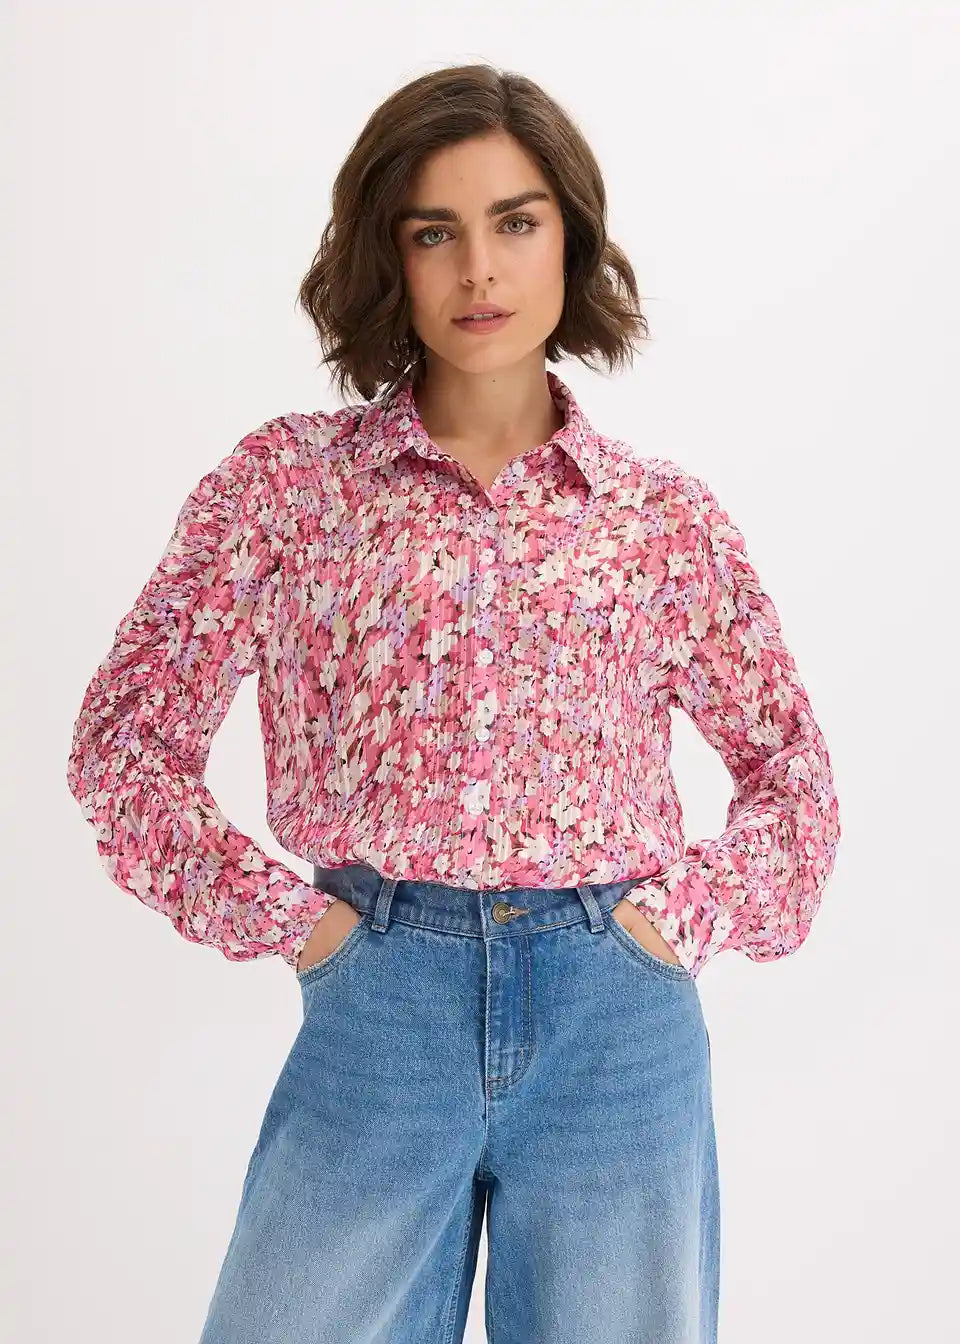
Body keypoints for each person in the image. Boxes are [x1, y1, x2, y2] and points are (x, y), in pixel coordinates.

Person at [65, 62, 841, 1344]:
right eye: (436, 232)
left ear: (570, 239)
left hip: (615, 1020)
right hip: (382, 1001)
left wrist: (681, 922)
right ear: (389, 256)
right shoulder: (287, 489)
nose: (480, 269)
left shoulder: (662, 520)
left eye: (515, 223)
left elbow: (793, 775)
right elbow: (123, 746)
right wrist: (299, 925)